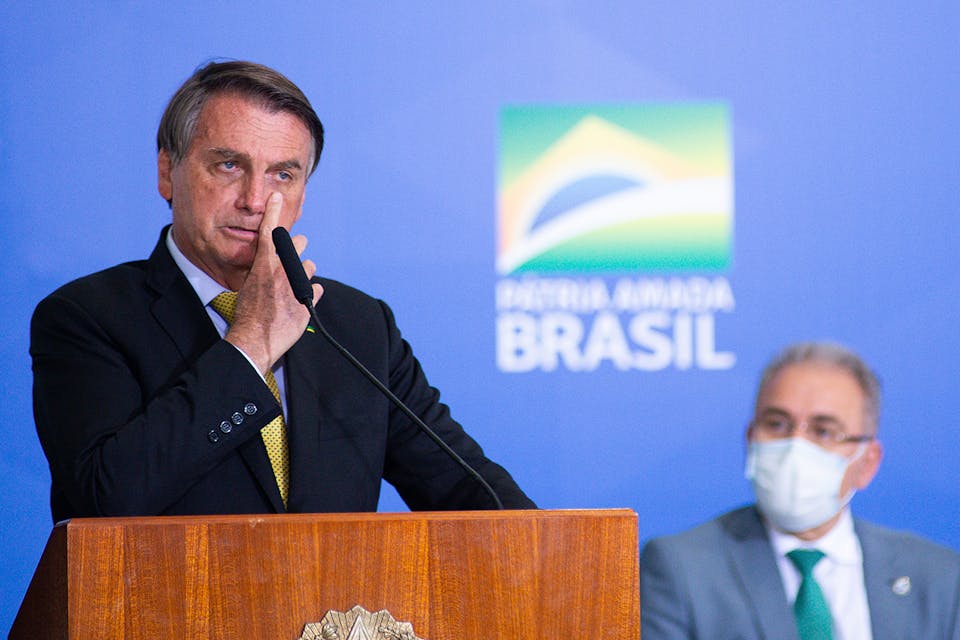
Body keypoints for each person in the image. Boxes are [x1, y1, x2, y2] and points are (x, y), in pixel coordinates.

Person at [30, 60, 535, 522]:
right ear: (168, 172)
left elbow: (477, 499)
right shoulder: (87, 318)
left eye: (282, 174)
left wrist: (562, 554)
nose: (254, 199)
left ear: (302, 193)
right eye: (228, 165)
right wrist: (251, 344)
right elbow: (102, 501)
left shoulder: (358, 326)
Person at [640, 342, 960, 640]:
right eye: (777, 424)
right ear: (750, 439)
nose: (796, 446)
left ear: (868, 463)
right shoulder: (681, 568)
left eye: (824, 431)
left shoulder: (940, 578)